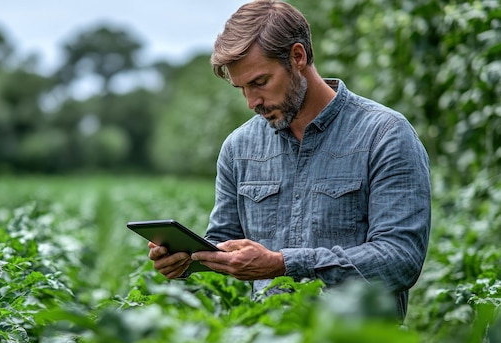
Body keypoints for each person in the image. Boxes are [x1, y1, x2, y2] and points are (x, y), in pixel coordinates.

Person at [148, 0, 431, 321]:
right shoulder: (239, 147)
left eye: (260, 82)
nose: (252, 102)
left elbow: (400, 260)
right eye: (242, 88)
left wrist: (284, 263)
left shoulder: (384, 135)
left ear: (298, 57)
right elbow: (223, 241)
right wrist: (187, 260)